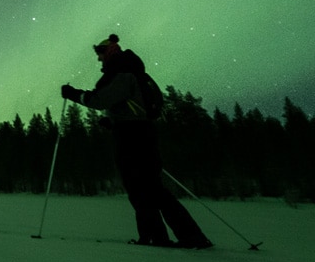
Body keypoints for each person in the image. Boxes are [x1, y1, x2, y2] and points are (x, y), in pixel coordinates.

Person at [61, 33, 213, 248]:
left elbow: (100, 99)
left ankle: (181, 237)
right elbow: (133, 108)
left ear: (110, 52)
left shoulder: (123, 73)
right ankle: (158, 237)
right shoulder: (135, 72)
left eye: (101, 53)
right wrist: (114, 122)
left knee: (145, 189)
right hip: (140, 133)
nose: (99, 59)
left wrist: (73, 94)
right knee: (147, 189)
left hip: (133, 138)